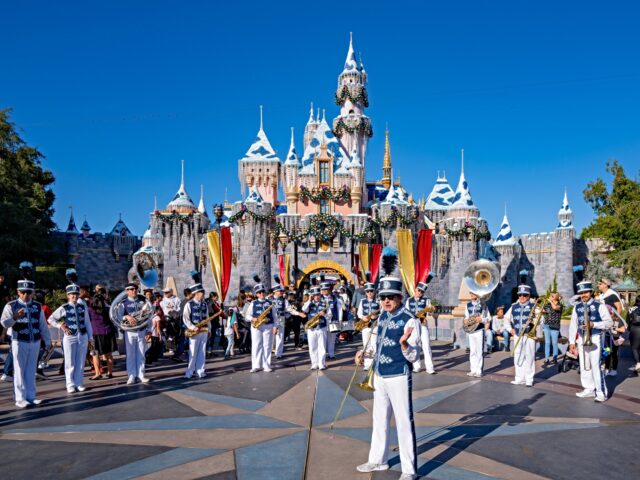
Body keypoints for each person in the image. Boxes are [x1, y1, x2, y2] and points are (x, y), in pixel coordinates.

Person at [355, 274, 419, 480]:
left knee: (403, 422)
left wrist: (404, 344)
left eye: (391, 297)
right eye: (383, 297)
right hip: (380, 375)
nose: (386, 301)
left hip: (399, 375)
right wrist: (363, 352)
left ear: (400, 297)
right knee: (379, 419)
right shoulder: (382, 316)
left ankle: (409, 470)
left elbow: (415, 355)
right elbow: (378, 346)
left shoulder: (409, 319)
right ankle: (378, 459)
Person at [0, 276, 51, 408]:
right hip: (19, 341)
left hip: (35, 341)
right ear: (18, 292)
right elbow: (4, 322)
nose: (26, 295)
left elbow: (43, 325)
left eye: (29, 292)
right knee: (19, 370)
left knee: (30, 370)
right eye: (23, 292)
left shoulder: (37, 306)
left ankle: (30, 396)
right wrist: (15, 317)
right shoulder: (11, 306)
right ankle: (20, 398)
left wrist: (48, 341)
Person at [569, 280, 613, 402]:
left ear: (591, 292)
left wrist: (594, 324)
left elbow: (609, 323)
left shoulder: (600, 306)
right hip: (582, 339)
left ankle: (601, 392)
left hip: (596, 337)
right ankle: (588, 389)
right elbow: (573, 325)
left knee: (596, 366)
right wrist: (572, 342)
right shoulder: (577, 307)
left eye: (586, 292)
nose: (583, 295)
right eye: (581, 293)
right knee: (584, 365)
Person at [48, 283, 94, 393]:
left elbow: (87, 322)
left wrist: (90, 337)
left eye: (76, 294)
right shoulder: (64, 307)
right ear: (68, 295)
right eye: (72, 294)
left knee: (81, 361)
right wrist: (61, 326)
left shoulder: (83, 306)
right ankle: (70, 384)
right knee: (70, 361)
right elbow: (51, 319)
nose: (74, 296)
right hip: (70, 337)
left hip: (82, 336)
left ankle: (79, 383)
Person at [117, 283, 152, 384]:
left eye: (135, 289)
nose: (134, 291)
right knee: (131, 354)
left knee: (141, 354)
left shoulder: (143, 301)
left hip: (141, 330)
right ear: (127, 291)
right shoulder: (123, 303)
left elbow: (148, 317)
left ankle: (141, 375)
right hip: (130, 331)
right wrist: (126, 317)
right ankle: (131, 375)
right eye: (131, 289)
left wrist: (149, 330)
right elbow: (118, 317)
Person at [504, 285, 537, 387]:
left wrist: (534, 320)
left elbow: (542, 320)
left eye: (525, 295)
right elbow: (506, 318)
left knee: (529, 357)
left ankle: (529, 379)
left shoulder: (534, 306)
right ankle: (519, 378)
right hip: (518, 335)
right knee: (518, 356)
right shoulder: (514, 306)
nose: (522, 297)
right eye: (520, 295)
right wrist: (510, 329)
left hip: (529, 335)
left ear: (529, 295)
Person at [404, 281, 436, 374]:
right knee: (414, 345)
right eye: (419, 290)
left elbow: (430, 312)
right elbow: (406, 312)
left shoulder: (426, 300)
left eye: (422, 292)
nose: (420, 293)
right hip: (413, 326)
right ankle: (416, 366)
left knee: (426, 346)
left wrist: (430, 311)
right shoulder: (409, 300)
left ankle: (430, 368)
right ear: (415, 290)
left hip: (423, 325)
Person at [246, 280, 276, 373]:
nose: (262, 293)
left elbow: (275, 316)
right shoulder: (253, 303)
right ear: (257, 294)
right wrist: (252, 319)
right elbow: (247, 316)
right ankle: (256, 365)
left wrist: (275, 327)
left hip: (268, 325)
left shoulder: (270, 303)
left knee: (267, 346)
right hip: (257, 326)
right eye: (259, 292)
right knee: (256, 345)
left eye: (263, 292)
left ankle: (266, 365)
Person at [183, 282, 210, 379]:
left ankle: (200, 371)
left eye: (202, 292)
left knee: (202, 352)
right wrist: (193, 327)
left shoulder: (204, 304)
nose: (202, 294)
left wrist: (209, 329)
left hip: (203, 331)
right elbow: (185, 319)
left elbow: (207, 317)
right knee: (193, 352)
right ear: (196, 293)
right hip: (194, 331)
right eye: (201, 292)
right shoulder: (189, 304)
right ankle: (190, 372)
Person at [598, 278, 624, 376]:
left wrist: (615, 318)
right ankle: (607, 367)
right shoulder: (601, 296)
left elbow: (619, 308)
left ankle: (614, 369)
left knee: (614, 348)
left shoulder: (612, 295)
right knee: (607, 348)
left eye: (600, 284)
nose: (599, 285)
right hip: (605, 325)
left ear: (606, 284)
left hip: (614, 325)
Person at [88, 292, 117, 380]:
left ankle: (97, 373)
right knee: (109, 354)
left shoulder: (89, 310)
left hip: (94, 334)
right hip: (108, 332)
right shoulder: (108, 309)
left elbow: (87, 321)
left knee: (95, 354)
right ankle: (110, 372)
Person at [302, 287, 330, 370]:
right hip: (312, 328)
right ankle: (314, 363)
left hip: (322, 327)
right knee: (312, 346)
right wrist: (309, 300)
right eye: (315, 295)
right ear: (312, 296)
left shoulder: (324, 303)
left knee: (322, 346)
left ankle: (321, 364)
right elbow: (304, 309)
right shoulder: (309, 303)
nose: (317, 297)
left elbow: (330, 315)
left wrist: (324, 314)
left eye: (318, 295)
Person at [464, 292, 491, 378]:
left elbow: (488, 318)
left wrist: (482, 319)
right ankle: (473, 370)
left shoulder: (483, 305)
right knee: (472, 351)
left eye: (473, 293)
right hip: (471, 331)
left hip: (479, 330)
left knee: (479, 351)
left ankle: (479, 371)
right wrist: (466, 320)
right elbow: (466, 317)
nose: (471, 294)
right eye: (470, 293)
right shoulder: (468, 305)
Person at [271, 285, 300, 359]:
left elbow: (290, 309)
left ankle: (278, 354)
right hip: (271, 320)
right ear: (275, 292)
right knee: (270, 337)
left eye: (281, 291)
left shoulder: (284, 300)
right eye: (279, 291)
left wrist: (298, 313)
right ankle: (269, 352)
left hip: (281, 319)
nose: (281, 292)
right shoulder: (269, 299)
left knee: (280, 337)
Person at [321, 282, 341, 360]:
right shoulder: (319, 298)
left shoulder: (334, 298)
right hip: (322, 321)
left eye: (326, 289)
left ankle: (331, 354)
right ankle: (323, 355)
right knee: (323, 339)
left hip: (332, 320)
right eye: (323, 289)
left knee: (332, 338)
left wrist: (340, 319)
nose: (324, 291)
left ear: (329, 290)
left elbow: (339, 309)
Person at [541, 292, 563, 365]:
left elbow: (555, 308)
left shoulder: (559, 305)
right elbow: (544, 313)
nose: (550, 297)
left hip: (555, 326)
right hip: (547, 325)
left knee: (554, 343)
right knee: (547, 343)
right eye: (550, 296)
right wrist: (542, 310)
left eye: (552, 296)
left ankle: (555, 358)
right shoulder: (547, 305)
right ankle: (546, 358)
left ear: (557, 297)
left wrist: (551, 301)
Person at [627, 297, 640, 373]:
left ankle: (638, 363)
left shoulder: (632, 308)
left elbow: (627, 320)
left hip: (635, 328)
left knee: (634, 348)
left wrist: (629, 329)